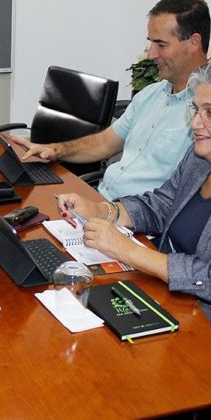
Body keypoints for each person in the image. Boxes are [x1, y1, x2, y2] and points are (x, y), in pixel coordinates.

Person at [14, 0, 210, 200]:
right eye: (151, 43)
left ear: (194, 42)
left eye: (161, 44)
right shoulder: (149, 95)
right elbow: (104, 143)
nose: (151, 54)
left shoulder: (203, 119)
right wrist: (54, 150)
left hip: (136, 215)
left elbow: (178, 201)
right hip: (101, 199)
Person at [55, 63, 211, 320]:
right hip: (165, 292)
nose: (195, 122)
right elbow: (161, 204)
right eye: (195, 110)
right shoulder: (198, 160)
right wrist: (102, 210)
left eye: (209, 113)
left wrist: (128, 251)